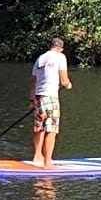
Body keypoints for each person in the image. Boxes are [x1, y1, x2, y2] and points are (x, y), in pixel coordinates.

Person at [29, 37, 73, 168]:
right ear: (60, 48)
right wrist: (69, 85)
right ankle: (47, 162)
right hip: (50, 97)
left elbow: (33, 82)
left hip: (38, 97)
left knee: (39, 128)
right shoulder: (60, 57)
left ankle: (37, 156)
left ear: (51, 46)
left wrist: (31, 101)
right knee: (51, 129)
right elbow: (64, 81)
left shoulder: (40, 58)